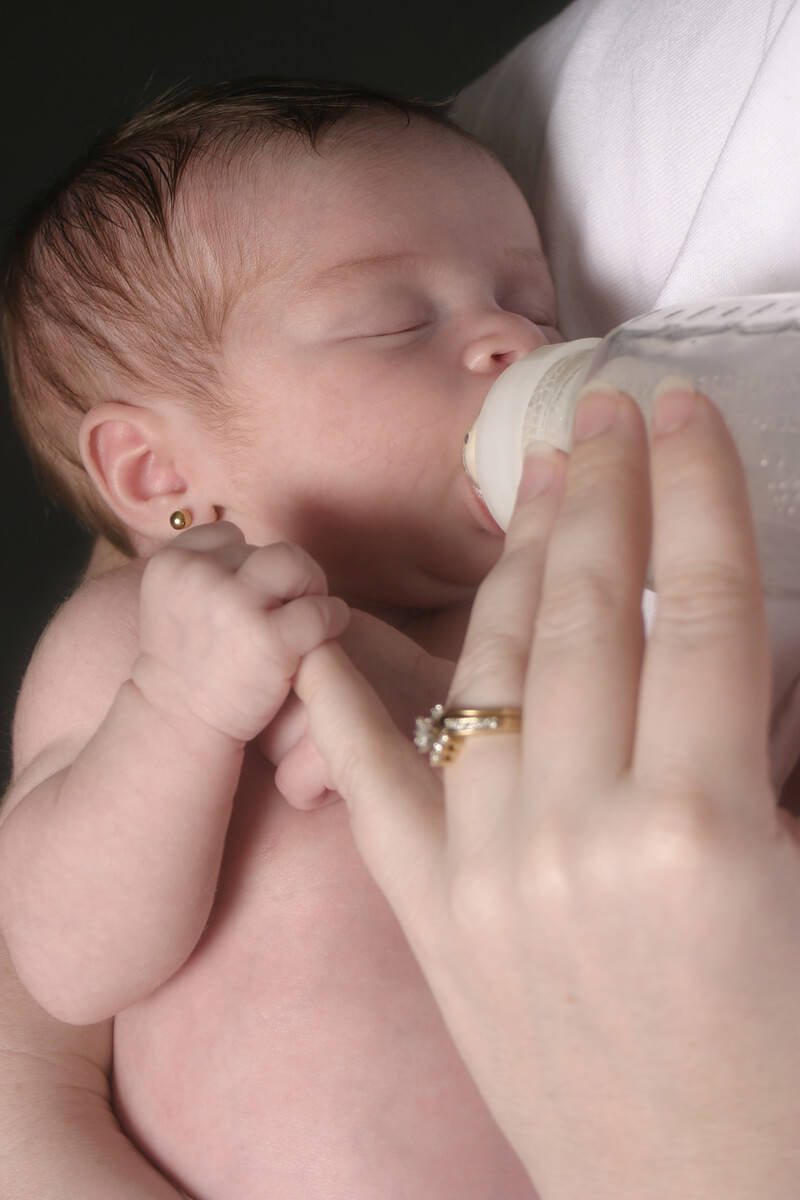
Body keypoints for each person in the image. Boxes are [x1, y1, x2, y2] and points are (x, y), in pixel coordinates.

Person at [0, 78, 560, 1199]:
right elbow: (66, 962)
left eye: (534, 303)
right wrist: (177, 710)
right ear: (159, 476)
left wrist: (451, 720)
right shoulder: (137, 643)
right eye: (395, 322)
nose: (511, 339)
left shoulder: (553, 601)